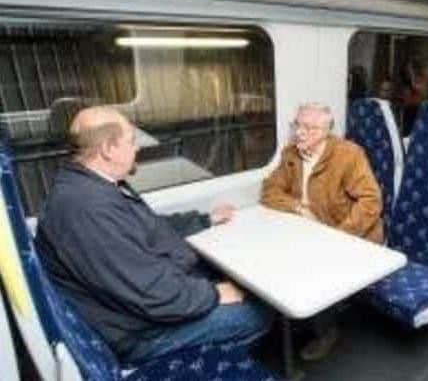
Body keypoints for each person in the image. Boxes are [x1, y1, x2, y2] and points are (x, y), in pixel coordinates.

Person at [35, 106, 272, 364]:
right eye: (131, 141)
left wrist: (203, 219)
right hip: (140, 333)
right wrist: (215, 295)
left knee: (229, 274)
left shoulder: (97, 185)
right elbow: (151, 294)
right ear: (108, 149)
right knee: (257, 312)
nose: (137, 148)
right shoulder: (84, 209)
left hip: (149, 297)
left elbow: (147, 226)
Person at [261, 102, 383, 360]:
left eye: (309, 127)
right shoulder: (290, 154)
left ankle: (325, 331)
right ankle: (292, 317)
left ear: (326, 132)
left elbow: (371, 202)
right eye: (297, 125)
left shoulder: (349, 155)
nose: (299, 133)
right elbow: (269, 191)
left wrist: (338, 235)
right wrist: (297, 206)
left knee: (312, 270)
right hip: (310, 230)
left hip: (349, 233)